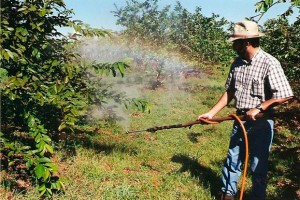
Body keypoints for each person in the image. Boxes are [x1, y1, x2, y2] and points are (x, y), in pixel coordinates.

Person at [198, 20, 294, 200]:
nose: (233, 45)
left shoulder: (269, 63)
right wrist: (211, 113)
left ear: (246, 42)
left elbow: (285, 94)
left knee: (258, 165)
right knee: (232, 158)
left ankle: (257, 197)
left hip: (261, 123)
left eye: (235, 42)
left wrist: (260, 107)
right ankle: (227, 194)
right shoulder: (237, 64)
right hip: (239, 120)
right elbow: (230, 92)